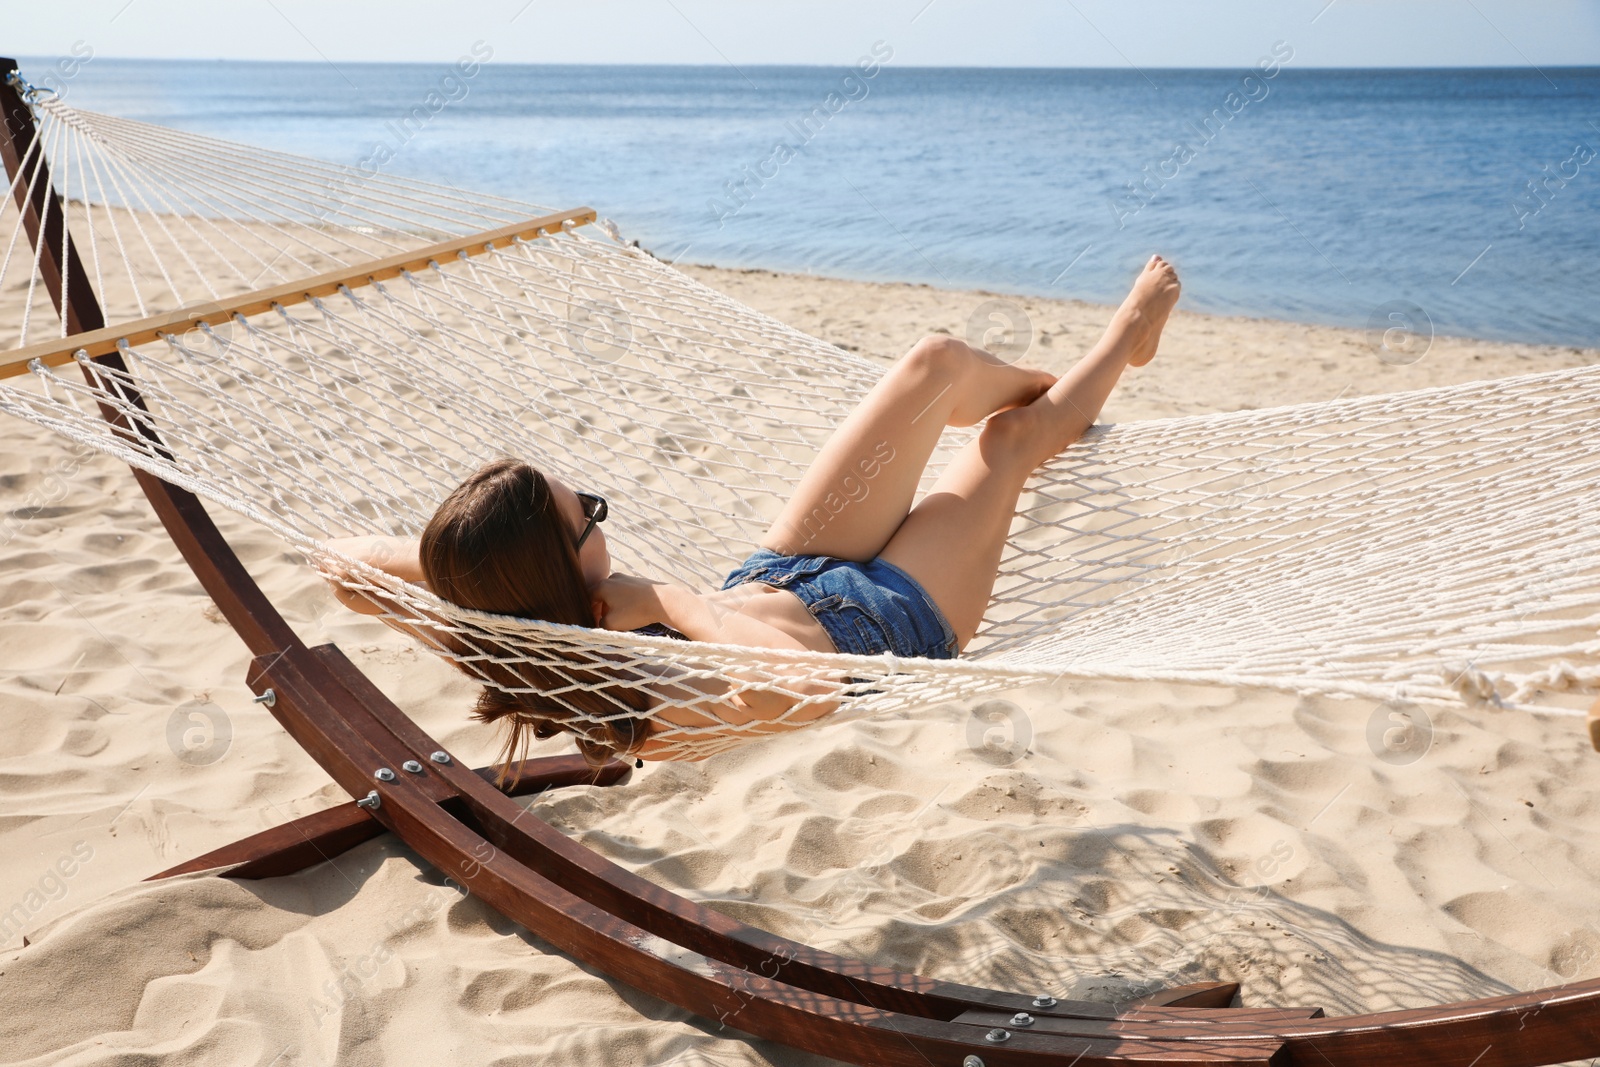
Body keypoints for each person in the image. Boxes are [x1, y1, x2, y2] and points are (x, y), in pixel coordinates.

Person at [325, 255, 1181, 767]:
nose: (597, 511)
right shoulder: (635, 686)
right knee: (1008, 443)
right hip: (890, 625)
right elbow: (803, 687)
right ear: (555, 565)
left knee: (937, 363)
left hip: (783, 574)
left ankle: (1065, 398)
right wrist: (667, 602)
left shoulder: (502, 629)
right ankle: (1120, 346)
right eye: (585, 511)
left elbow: (348, 566)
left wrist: (452, 574)